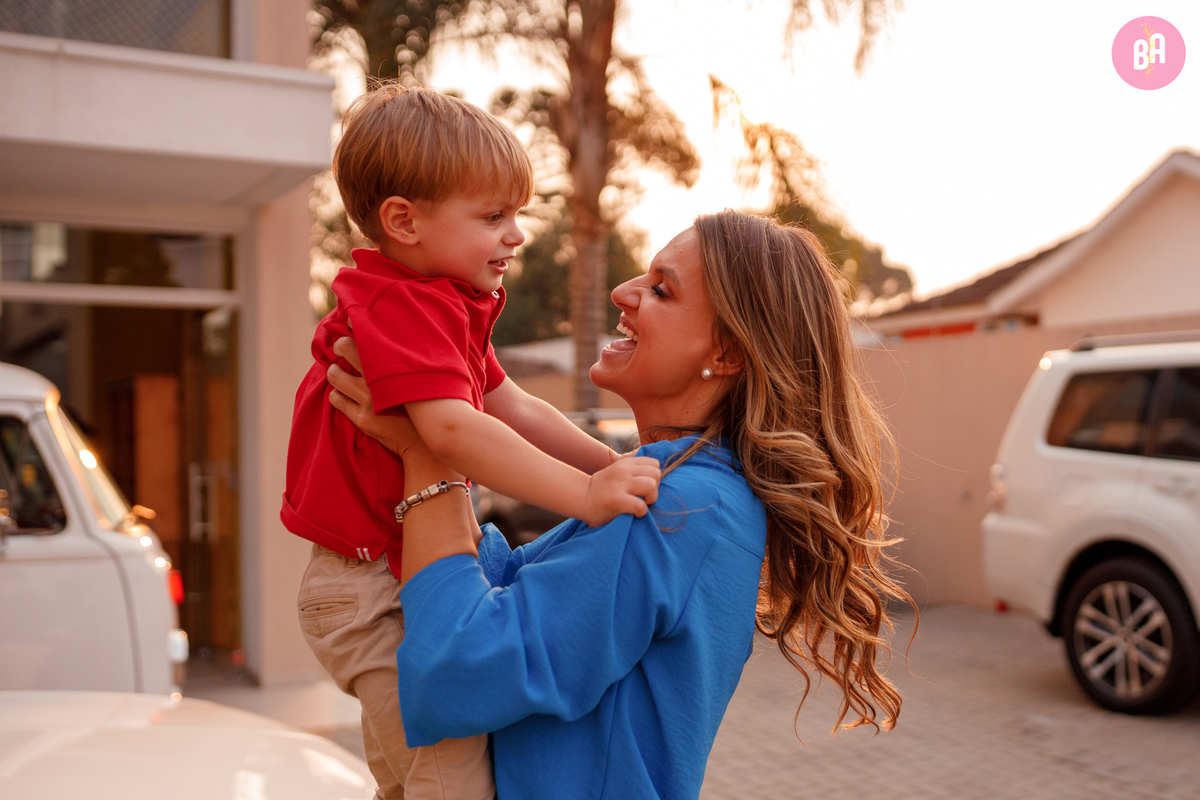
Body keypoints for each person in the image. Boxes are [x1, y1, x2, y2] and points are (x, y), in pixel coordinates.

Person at [327, 210, 914, 800]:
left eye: (661, 289)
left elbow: (458, 674)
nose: (622, 292)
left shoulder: (682, 509)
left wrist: (427, 457)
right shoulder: (683, 489)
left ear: (728, 353)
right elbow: (506, 595)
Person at [282, 84, 660, 800]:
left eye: (515, 213)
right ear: (405, 221)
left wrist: (611, 463)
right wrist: (586, 495)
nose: (516, 233)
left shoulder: (440, 303)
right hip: (366, 587)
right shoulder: (401, 304)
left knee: (415, 781)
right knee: (447, 779)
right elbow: (454, 429)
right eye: (492, 216)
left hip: (385, 575)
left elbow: (510, 404)